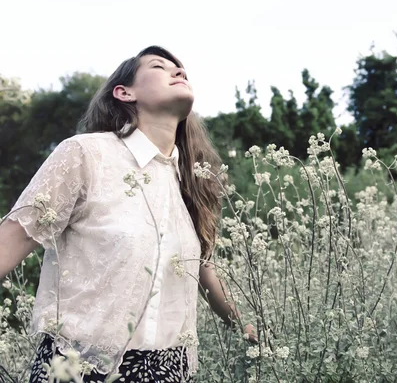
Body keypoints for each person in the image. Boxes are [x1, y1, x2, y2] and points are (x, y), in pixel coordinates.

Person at [0, 46, 256, 382]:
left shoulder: (193, 183)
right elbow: (13, 238)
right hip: (79, 367)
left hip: (170, 371)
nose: (178, 72)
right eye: (159, 66)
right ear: (124, 92)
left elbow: (203, 270)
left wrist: (247, 329)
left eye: (181, 69)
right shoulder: (85, 154)